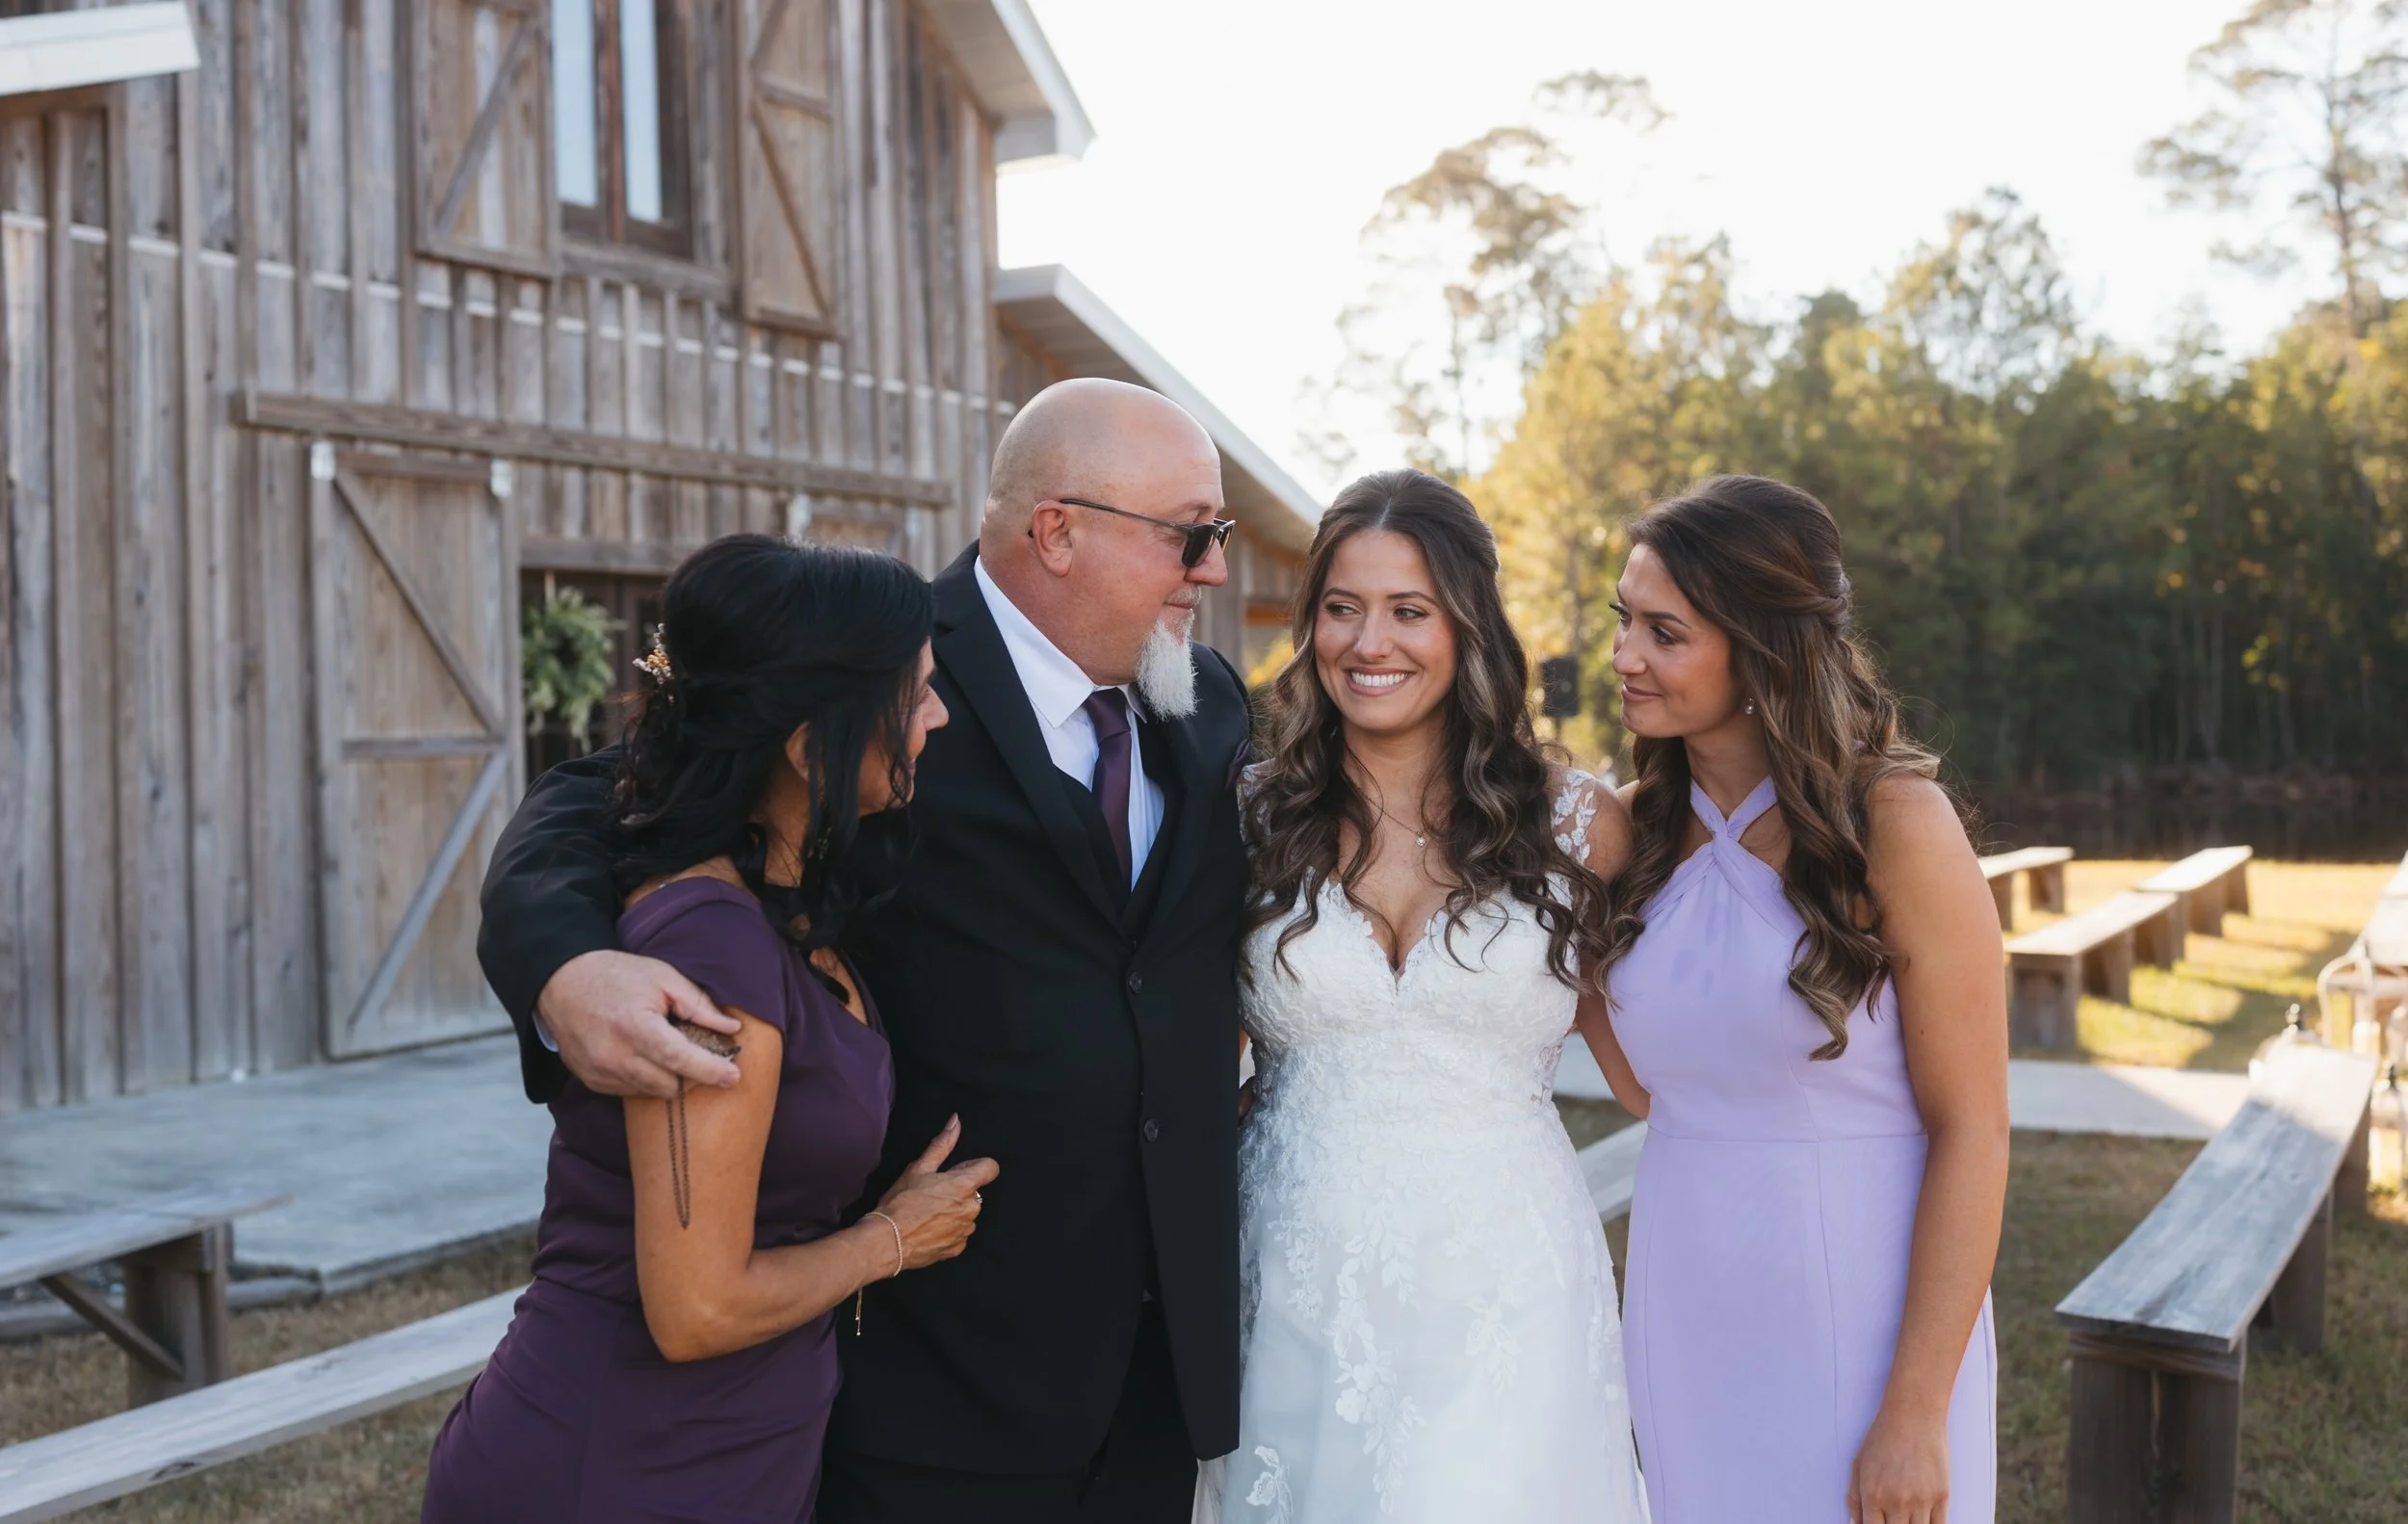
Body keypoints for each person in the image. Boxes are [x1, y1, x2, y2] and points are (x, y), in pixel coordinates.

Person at [474, 378, 1255, 1523]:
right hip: (934, 1384)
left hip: (1155, 1379)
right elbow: (597, 800)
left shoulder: (1206, 700)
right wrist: (563, 967)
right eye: (1193, 535)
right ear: (1059, 530)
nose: (1217, 570)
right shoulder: (880, 675)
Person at [424, 536, 992, 1521]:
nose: (938, 717)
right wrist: (889, 1240)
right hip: (617, 1467)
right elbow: (697, 1309)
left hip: (731, 1457)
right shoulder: (713, 949)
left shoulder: (797, 902)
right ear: (812, 742)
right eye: (916, 696)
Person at [1202, 469, 1650, 1522]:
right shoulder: (1247, 816)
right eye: (1341, 608)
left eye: (1410, 610)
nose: (1370, 643)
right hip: (1295, 1275)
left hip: (1508, 1289)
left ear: (1468, 628)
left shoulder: (1578, 826)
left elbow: (1653, 1067)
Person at [1582, 475, 2007, 1524]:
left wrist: (1915, 1407)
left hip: (1858, 1302)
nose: (1625, 655)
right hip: (1685, 1292)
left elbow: (1974, 1129)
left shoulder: (1895, 822)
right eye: (1623, 622)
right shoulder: (1628, 831)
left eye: (1663, 632)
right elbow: (1646, 1090)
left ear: (1761, 644)